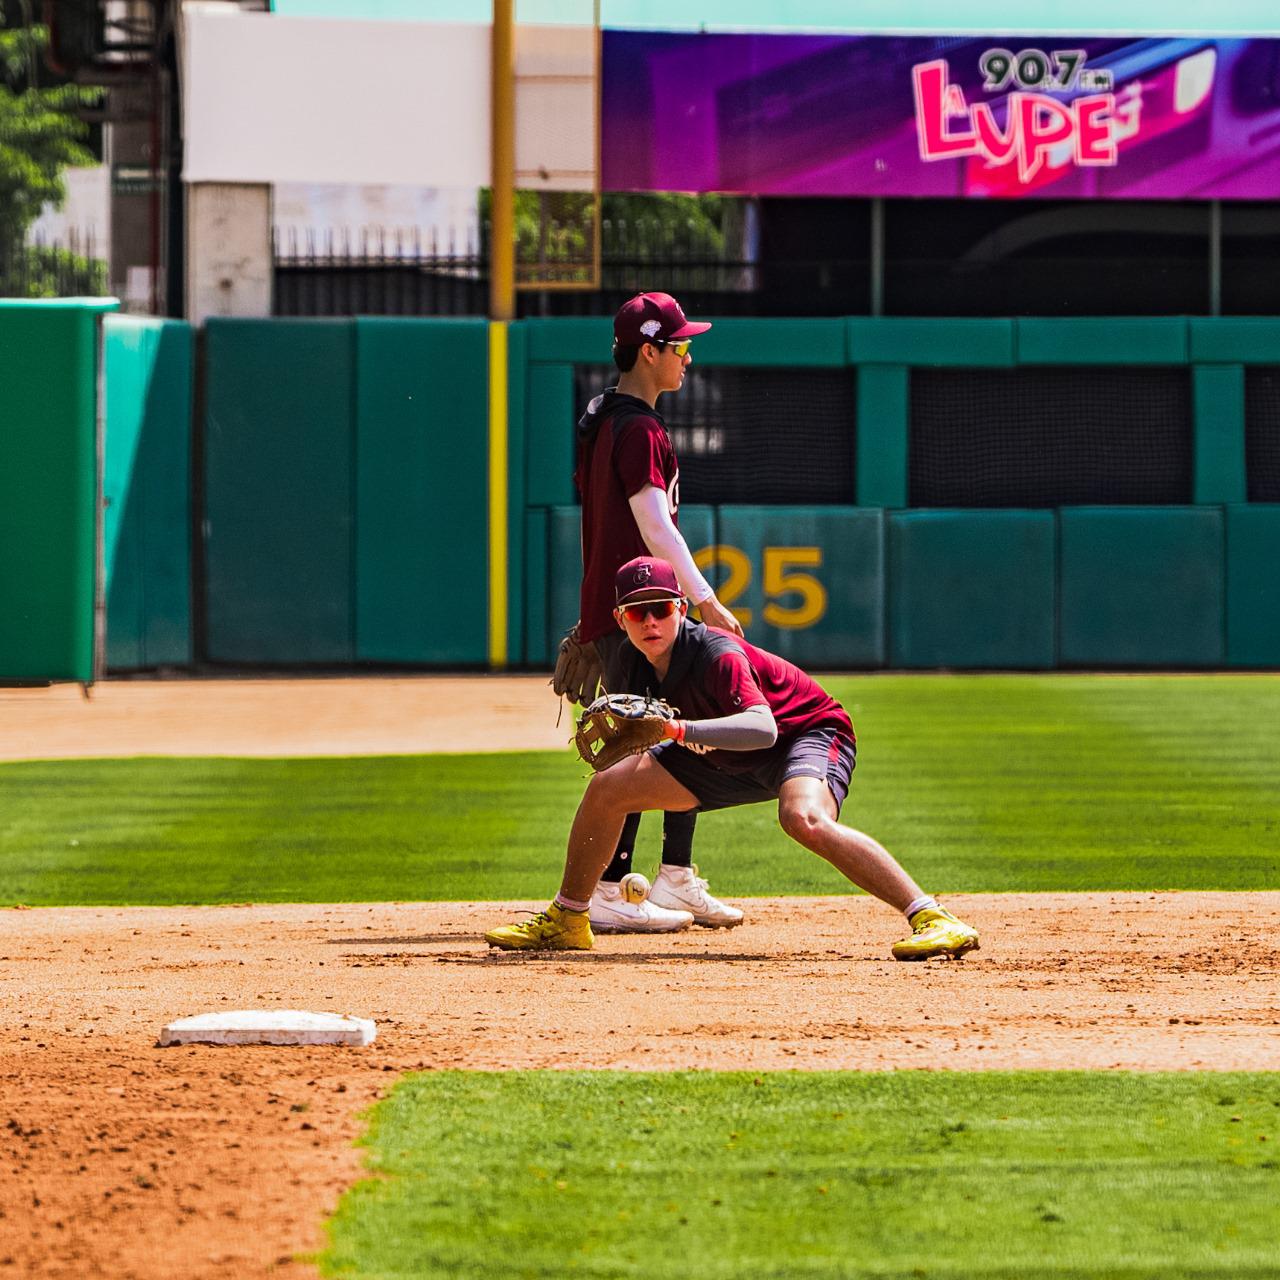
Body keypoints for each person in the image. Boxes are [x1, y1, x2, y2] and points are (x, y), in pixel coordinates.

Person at [488, 556, 980, 961]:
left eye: (660, 608)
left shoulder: (717, 655)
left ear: (681, 608)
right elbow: (641, 741)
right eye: (637, 613)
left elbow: (763, 729)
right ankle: (569, 918)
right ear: (621, 620)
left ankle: (933, 916)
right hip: (723, 755)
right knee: (610, 786)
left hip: (803, 736)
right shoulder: (631, 664)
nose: (651, 621)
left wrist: (678, 731)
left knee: (802, 818)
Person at [554, 292, 745, 936]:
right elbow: (653, 525)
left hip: (631, 608)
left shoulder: (611, 420)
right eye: (681, 346)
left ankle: (675, 876)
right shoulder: (636, 427)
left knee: (683, 725)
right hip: (644, 612)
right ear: (649, 351)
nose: (689, 357)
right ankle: (609, 887)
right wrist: (706, 600)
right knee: (639, 743)